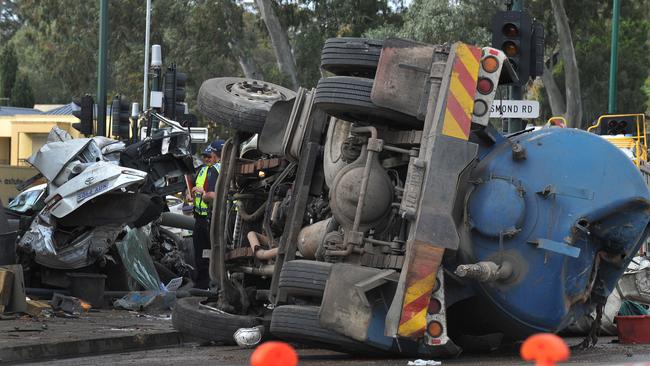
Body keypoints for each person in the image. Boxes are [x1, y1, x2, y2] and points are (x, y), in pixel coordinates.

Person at [192, 139, 224, 288]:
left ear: (216, 155)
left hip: (211, 219)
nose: (206, 159)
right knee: (203, 255)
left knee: (209, 256)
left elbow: (212, 195)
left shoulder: (217, 169)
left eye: (209, 156)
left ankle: (208, 287)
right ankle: (203, 286)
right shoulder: (204, 169)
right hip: (201, 219)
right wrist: (190, 193)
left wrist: (203, 194)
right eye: (204, 156)